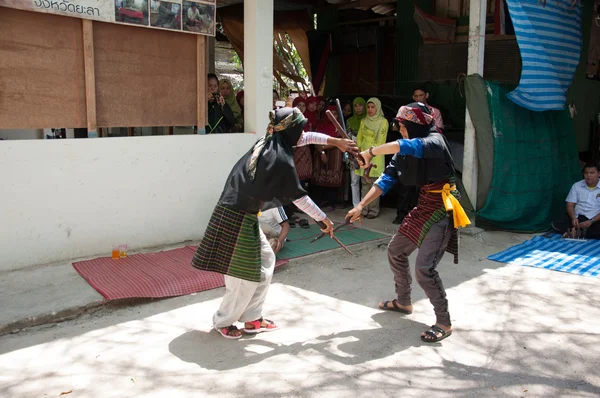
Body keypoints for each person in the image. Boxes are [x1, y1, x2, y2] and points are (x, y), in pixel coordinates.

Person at [192, 107, 358, 339]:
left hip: (245, 213)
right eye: (299, 128)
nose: (302, 134)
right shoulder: (278, 158)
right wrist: (324, 220)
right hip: (234, 215)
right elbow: (300, 198)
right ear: (290, 130)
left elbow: (305, 138)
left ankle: (251, 317)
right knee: (242, 275)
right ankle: (224, 321)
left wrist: (336, 142)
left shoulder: (273, 138)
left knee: (267, 259)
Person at [346, 102, 470, 343]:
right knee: (395, 251)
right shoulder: (405, 149)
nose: (400, 131)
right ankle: (403, 302)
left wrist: (370, 152)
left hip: (442, 208)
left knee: (424, 269)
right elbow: (386, 178)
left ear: (414, 126)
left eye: (402, 127)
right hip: (424, 205)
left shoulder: (434, 141)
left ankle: (444, 322)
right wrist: (360, 206)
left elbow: (408, 144)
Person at [355, 97, 388, 218]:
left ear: (378, 108)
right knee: (364, 182)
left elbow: (381, 140)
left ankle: (373, 210)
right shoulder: (364, 120)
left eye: (372, 107)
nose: (370, 109)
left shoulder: (383, 122)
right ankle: (363, 210)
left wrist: (372, 153)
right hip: (363, 153)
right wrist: (358, 151)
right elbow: (359, 137)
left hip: (376, 154)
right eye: (368, 107)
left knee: (375, 184)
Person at [552, 163, 600, 239]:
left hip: (595, 219)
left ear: (599, 174)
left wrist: (591, 221)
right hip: (578, 217)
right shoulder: (577, 185)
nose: (588, 175)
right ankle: (579, 231)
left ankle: (575, 232)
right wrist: (573, 218)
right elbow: (570, 204)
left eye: (592, 173)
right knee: (556, 223)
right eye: (586, 173)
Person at [313, 105, 345, 211]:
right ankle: (319, 202)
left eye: (335, 113)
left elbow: (339, 141)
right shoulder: (320, 125)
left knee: (333, 177)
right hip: (320, 153)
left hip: (335, 154)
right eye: (330, 113)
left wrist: (324, 147)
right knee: (319, 177)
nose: (332, 116)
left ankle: (331, 203)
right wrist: (322, 151)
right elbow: (314, 140)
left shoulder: (339, 127)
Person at [346, 97, 367, 208]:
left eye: (360, 105)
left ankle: (365, 205)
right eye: (355, 106)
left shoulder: (368, 120)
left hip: (367, 153)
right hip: (354, 153)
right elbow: (348, 137)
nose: (358, 108)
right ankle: (356, 206)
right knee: (354, 181)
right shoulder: (349, 121)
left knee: (366, 180)